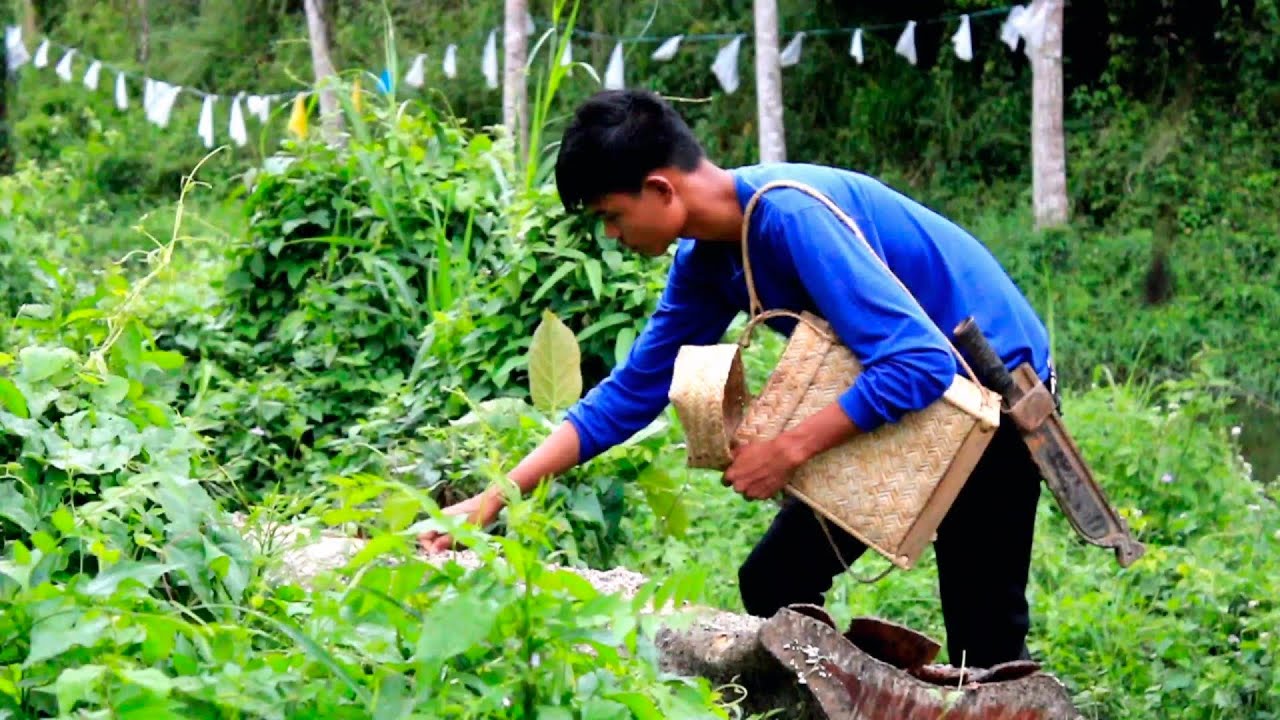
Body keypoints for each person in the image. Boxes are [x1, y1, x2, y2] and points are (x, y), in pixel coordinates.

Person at [420, 88, 1057, 669]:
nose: (612, 235)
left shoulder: (790, 217)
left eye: (613, 215)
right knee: (775, 583)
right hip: (906, 394)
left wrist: (788, 450)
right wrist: (492, 498)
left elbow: (918, 365)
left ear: (662, 189)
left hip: (993, 396)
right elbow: (629, 395)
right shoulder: (708, 261)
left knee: (987, 645)